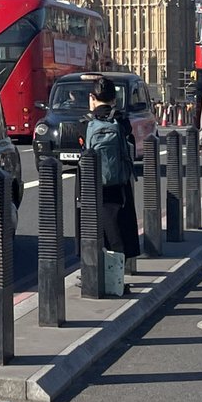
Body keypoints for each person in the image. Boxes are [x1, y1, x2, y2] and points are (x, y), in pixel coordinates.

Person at [81, 76, 139, 278]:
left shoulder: (87, 123)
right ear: (114, 99)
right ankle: (116, 277)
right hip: (119, 184)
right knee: (118, 231)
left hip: (93, 185)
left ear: (92, 98)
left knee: (94, 231)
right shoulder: (122, 121)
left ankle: (92, 275)